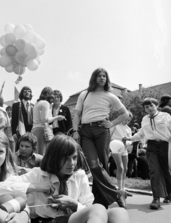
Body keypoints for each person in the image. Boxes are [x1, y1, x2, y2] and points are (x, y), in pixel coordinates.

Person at [0, 135, 129, 223]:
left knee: (119, 212)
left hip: (70, 219)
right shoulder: (38, 174)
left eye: (74, 158)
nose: (71, 163)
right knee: (98, 208)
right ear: (54, 157)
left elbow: (87, 206)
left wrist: (73, 204)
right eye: (65, 159)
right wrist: (36, 187)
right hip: (45, 220)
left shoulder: (79, 175)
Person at [72, 68, 129, 209]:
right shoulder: (84, 94)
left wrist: (111, 123)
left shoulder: (111, 96)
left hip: (101, 130)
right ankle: (117, 194)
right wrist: (75, 130)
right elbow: (77, 114)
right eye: (99, 76)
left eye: (104, 76)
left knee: (102, 164)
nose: (102, 78)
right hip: (85, 131)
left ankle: (100, 200)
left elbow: (124, 114)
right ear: (94, 78)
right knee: (93, 165)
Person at [123, 98, 171, 210]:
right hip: (151, 146)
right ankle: (156, 198)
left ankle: (169, 193)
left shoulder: (166, 116)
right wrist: (130, 138)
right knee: (154, 171)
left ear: (156, 105)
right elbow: (141, 133)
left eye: (151, 105)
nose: (149, 108)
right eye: (146, 107)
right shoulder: (144, 119)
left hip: (165, 145)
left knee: (166, 171)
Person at [32, 87, 65, 155]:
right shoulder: (45, 103)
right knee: (43, 154)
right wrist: (57, 117)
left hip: (35, 130)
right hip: (42, 130)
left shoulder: (36, 103)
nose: (53, 96)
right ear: (47, 94)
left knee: (37, 153)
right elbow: (45, 120)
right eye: (52, 94)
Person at [109, 111, 133, 192]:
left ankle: (123, 187)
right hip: (116, 147)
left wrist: (127, 142)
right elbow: (109, 136)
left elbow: (131, 140)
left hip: (124, 148)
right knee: (120, 167)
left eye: (128, 120)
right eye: (125, 119)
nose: (126, 122)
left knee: (125, 168)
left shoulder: (129, 129)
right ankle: (119, 188)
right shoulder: (115, 125)